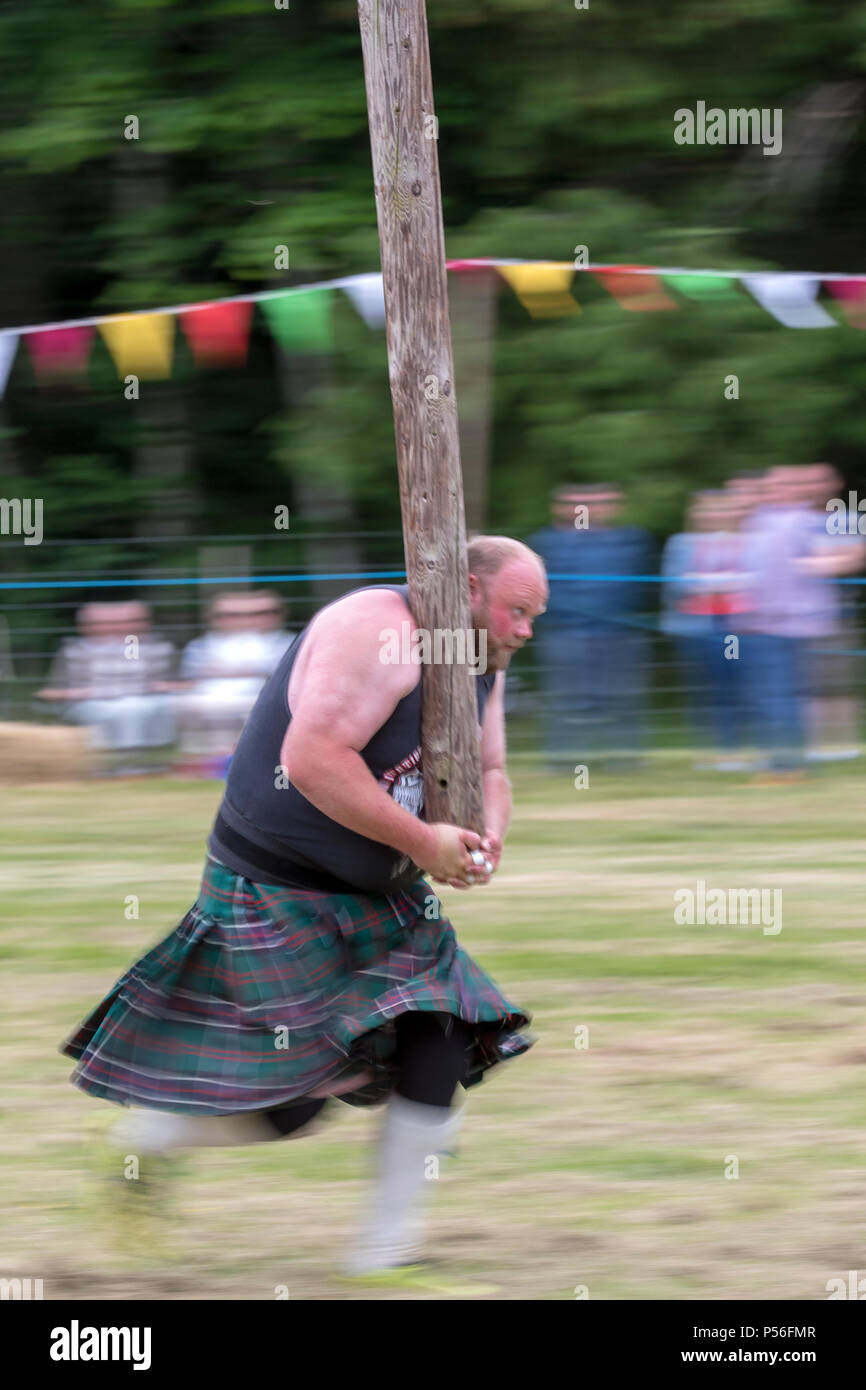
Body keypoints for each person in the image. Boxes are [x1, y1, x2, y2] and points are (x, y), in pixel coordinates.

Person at [60, 536, 548, 1285]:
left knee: (441, 1036)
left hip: (381, 896)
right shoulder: (378, 631)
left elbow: (488, 767)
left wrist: (485, 841)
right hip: (275, 886)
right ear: (470, 590)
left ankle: (384, 1257)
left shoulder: (481, 659)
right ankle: (143, 1141)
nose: (525, 631)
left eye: (535, 617)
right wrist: (425, 840)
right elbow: (312, 759)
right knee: (294, 1102)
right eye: (518, 612)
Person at [528, 483, 654, 770]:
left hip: (620, 634)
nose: (586, 510)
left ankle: (624, 759)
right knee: (567, 701)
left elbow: (635, 589)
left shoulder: (631, 541)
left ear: (613, 507)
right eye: (578, 503)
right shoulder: (546, 543)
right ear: (560, 508)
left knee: (622, 699)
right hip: (567, 634)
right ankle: (564, 760)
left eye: (596, 503)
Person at [37, 600, 177, 775]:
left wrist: (158, 686)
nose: (115, 628)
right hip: (90, 703)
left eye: (133, 621)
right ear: (85, 627)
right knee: (128, 709)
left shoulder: (151, 647)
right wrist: (81, 693)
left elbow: (179, 682)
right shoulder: (73, 651)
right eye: (102, 623)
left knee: (134, 707)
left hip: (141, 699)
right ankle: (128, 766)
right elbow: (49, 693)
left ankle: (138, 765)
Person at [173, 589, 295, 777]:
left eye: (259, 614)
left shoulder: (288, 642)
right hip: (208, 698)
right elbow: (191, 679)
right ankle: (213, 765)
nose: (245, 620)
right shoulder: (200, 645)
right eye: (231, 615)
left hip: (262, 695)